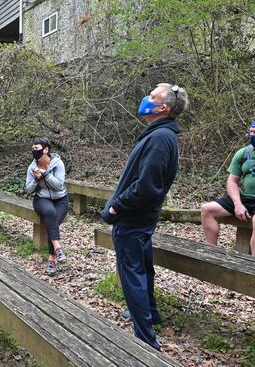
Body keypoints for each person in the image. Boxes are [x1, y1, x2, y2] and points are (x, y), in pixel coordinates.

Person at [101, 83, 189, 351]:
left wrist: (117, 208)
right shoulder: (158, 134)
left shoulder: (161, 138)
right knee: (143, 266)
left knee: (132, 274)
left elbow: (147, 186)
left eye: (152, 96)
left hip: (133, 219)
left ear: (163, 107)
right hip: (140, 218)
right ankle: (149, 313)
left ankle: (145, 340)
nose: (145, 98)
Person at [200, 118, 255, 257]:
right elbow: (232, 181)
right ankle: (211, 254)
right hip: (245, 197)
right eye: (250, 132)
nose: (252, 135)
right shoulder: (244, 153)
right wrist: (237, 204)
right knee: (207, 209)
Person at [25, 137, 69, 276]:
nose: (34, 151)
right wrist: (36, 179)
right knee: (50, 213)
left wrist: (46, 175)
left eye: (36, 148)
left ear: (46, 149)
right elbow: (28, 189)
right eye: (32, 149)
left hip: (60, 199)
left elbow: (59, 185)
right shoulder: (32, 167)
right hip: (41, 199)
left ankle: (52, 259)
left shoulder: (58, 164)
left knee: (53, 221)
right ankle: (57, 249)